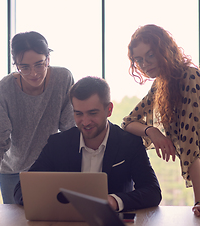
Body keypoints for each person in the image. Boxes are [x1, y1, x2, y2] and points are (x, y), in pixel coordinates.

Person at [121, 24, 200, 219]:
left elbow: (190, 142)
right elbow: (128, 122)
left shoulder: (190, 76)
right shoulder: (162, 83)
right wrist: (153, 132)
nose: (144, 64)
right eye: (139, 59)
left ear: (165, 50)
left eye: (150, 55)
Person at [14, 76, 162, 211]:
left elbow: (152, 191)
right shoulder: (57, 144)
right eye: (78, 113)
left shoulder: (129, 143)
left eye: (92, 113)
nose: (85, 122)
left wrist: (113, 201)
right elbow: (22, 188)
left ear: (109, 110)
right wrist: (46, 202)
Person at [0, 31, 75, 208]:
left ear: (48, 59)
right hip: (12, 171)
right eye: (24, 67)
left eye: (39, 65)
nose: (33, 73)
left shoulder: (63, 78)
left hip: (50, 168)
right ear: (16, 65)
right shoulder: (5, 89)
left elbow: (70, 130)